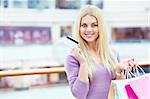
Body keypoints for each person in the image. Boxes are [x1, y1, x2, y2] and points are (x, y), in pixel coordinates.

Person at [65, 5, 136, 99]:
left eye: (94, 25)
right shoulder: (73, 57)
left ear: (101, 27)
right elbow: (79, 95)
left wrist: (119, 70)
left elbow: (118, 91)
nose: (89, 30)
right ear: (78, 28)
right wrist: (83, 63)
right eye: (84, 25)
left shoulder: (113, 53)